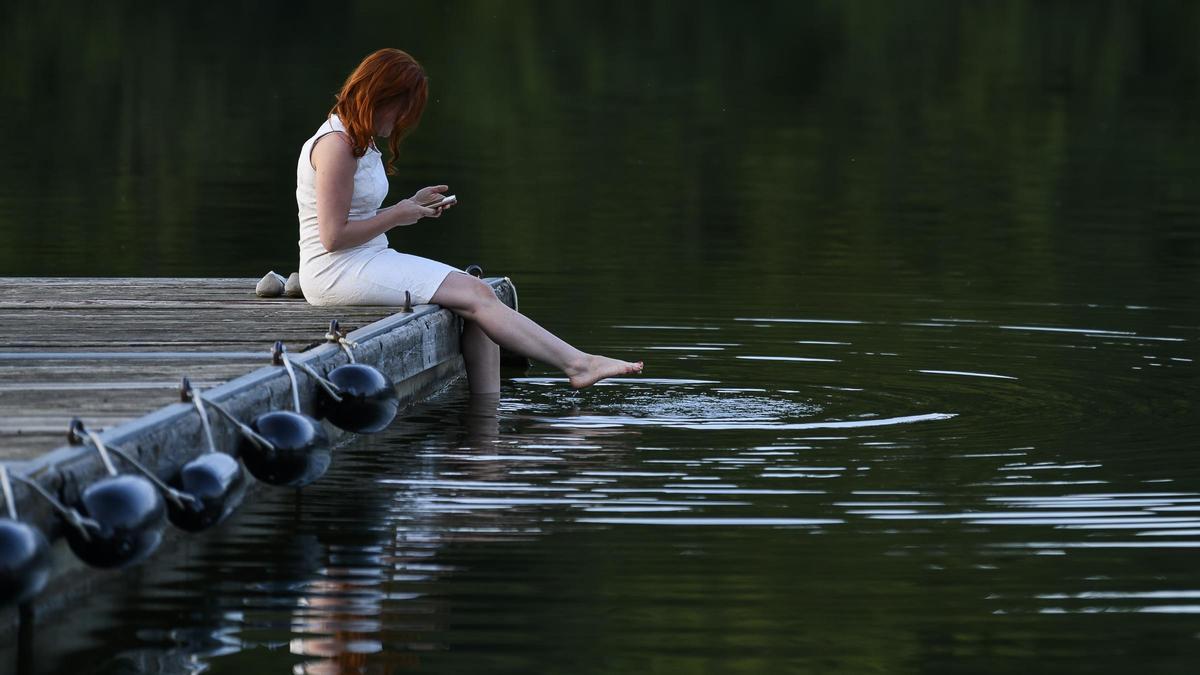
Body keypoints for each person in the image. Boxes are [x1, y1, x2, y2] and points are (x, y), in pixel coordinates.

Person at [296, 48, 643, 394]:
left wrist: (412, 205)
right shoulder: (336, 145)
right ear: (381, 96)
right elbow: (332, 236)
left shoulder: (360, 140)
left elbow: (359, 215)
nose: (403, 119)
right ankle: (578, 364)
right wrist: (399, 213)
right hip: (334, 270)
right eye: (403, 108)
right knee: (475, 293)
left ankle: (487, 413)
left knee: (479, 295)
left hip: (368, 257)